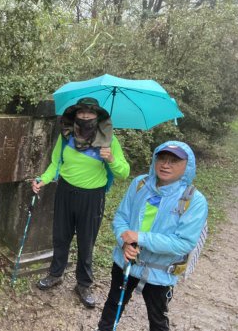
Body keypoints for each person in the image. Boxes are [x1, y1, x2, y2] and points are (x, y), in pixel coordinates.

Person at [97, 141, 208, 331]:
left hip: (160, 271)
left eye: (174, 161)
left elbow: (184, 243)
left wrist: (140, 238)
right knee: (113, 306)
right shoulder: (140, 184)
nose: (166, 165)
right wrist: (124, 241)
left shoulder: (194, 201)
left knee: (157, 318)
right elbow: (121, 218)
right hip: (126, 262)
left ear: (187, 166)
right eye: (162, 158)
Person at [32, 97, 130, 308]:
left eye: (90, 112)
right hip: (65, 192)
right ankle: (55, 274)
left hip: (92, 197)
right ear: (75, 115)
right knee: (60, 236)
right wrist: (43, 180)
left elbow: (124, 173)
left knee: (86, 241)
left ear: (99, 116)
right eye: (81, 112)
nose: (85, 116)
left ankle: (83, 284)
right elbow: (55, 163)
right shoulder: (66, 135)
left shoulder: (109, 140)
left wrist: (111, 159)